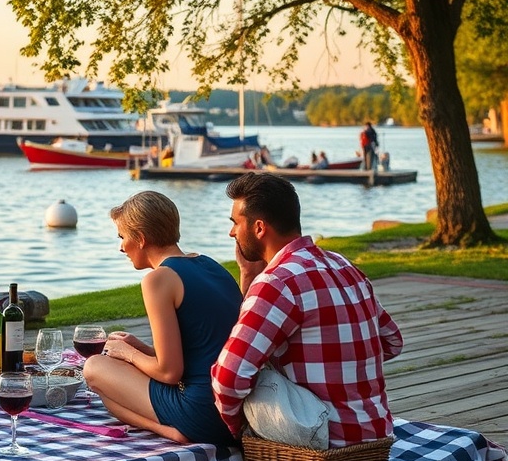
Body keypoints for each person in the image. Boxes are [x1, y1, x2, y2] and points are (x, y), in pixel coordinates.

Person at [211, 173, 403, 447]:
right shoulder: (343, 266)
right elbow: (393, 342)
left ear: (259, 228)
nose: (231, 232)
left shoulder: (276, 282)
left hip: (319, 443)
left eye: (235, 223)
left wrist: (238, 431)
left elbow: (228, 379)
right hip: (376, 440)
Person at [84, 191, 242, 445]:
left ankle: (171, 431)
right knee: (108, 392)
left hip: (202, 412)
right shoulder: (211, 265)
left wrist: (126, 353)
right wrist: (141, 347)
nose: (121, 246)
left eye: (123, 237)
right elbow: (200, 351)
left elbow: (170, 373)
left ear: (141, 238)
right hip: (234, 410)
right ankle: (173, 427)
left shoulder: (158, 279)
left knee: (94, 369)